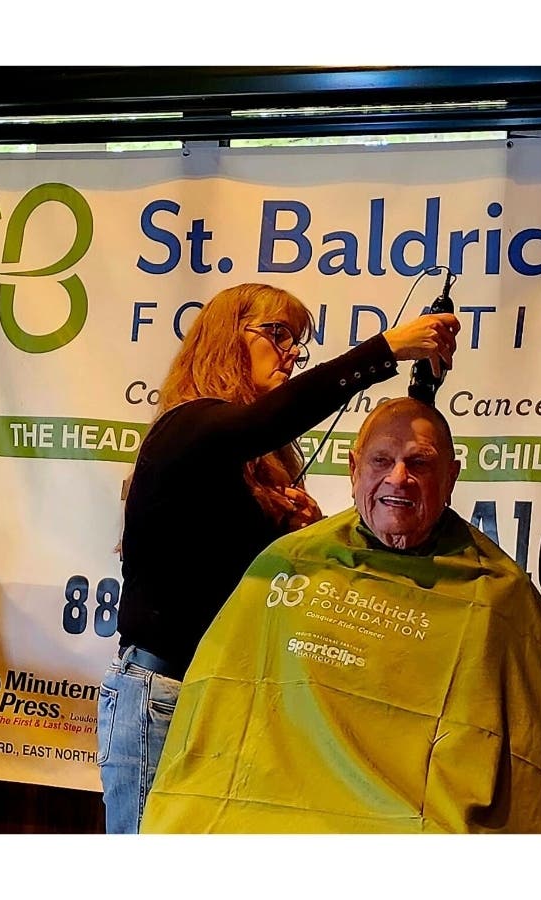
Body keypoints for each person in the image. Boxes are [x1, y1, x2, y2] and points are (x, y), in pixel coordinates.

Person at [100, 282, 460, 832]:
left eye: (297, 342)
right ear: (224, 340)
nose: (291, 352)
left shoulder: (239, 466)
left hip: (214, 692)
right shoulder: (188, 428)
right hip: (162, 695)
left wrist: (291, 530)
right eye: (277, 334)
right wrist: (387, 349)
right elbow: (265, 421)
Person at [140, 398, 541, 833]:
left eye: (419, 463)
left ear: (451, 476)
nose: (399, 478)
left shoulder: (499, 592)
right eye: (381, 461)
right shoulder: (292, 562)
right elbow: (226, 704)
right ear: (353, 468)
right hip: (274, 807)